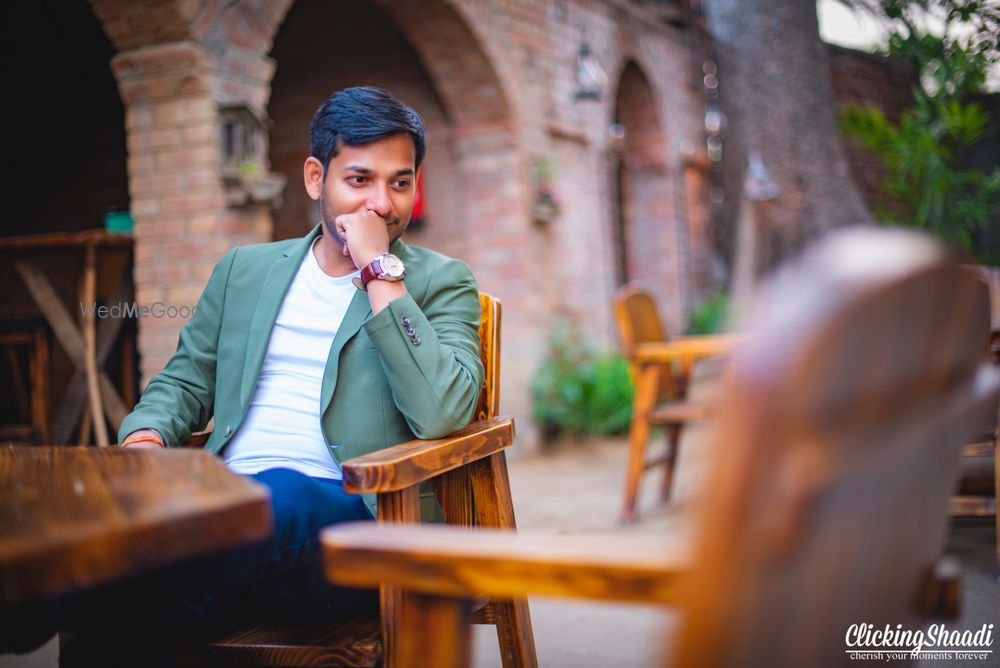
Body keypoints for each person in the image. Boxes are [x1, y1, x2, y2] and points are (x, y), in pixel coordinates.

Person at [12, 86, 485, 666]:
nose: (381, 204)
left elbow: (445, 410)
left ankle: (36, 597)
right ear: (316, 178)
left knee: (278, 494)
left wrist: (379, 272)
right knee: (119, 631)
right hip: (220, 533)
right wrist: (147, 440)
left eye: (400, 182)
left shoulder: (440, 282)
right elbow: (185, 382)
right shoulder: (245, 270)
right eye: (359, 180)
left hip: (360, 528)